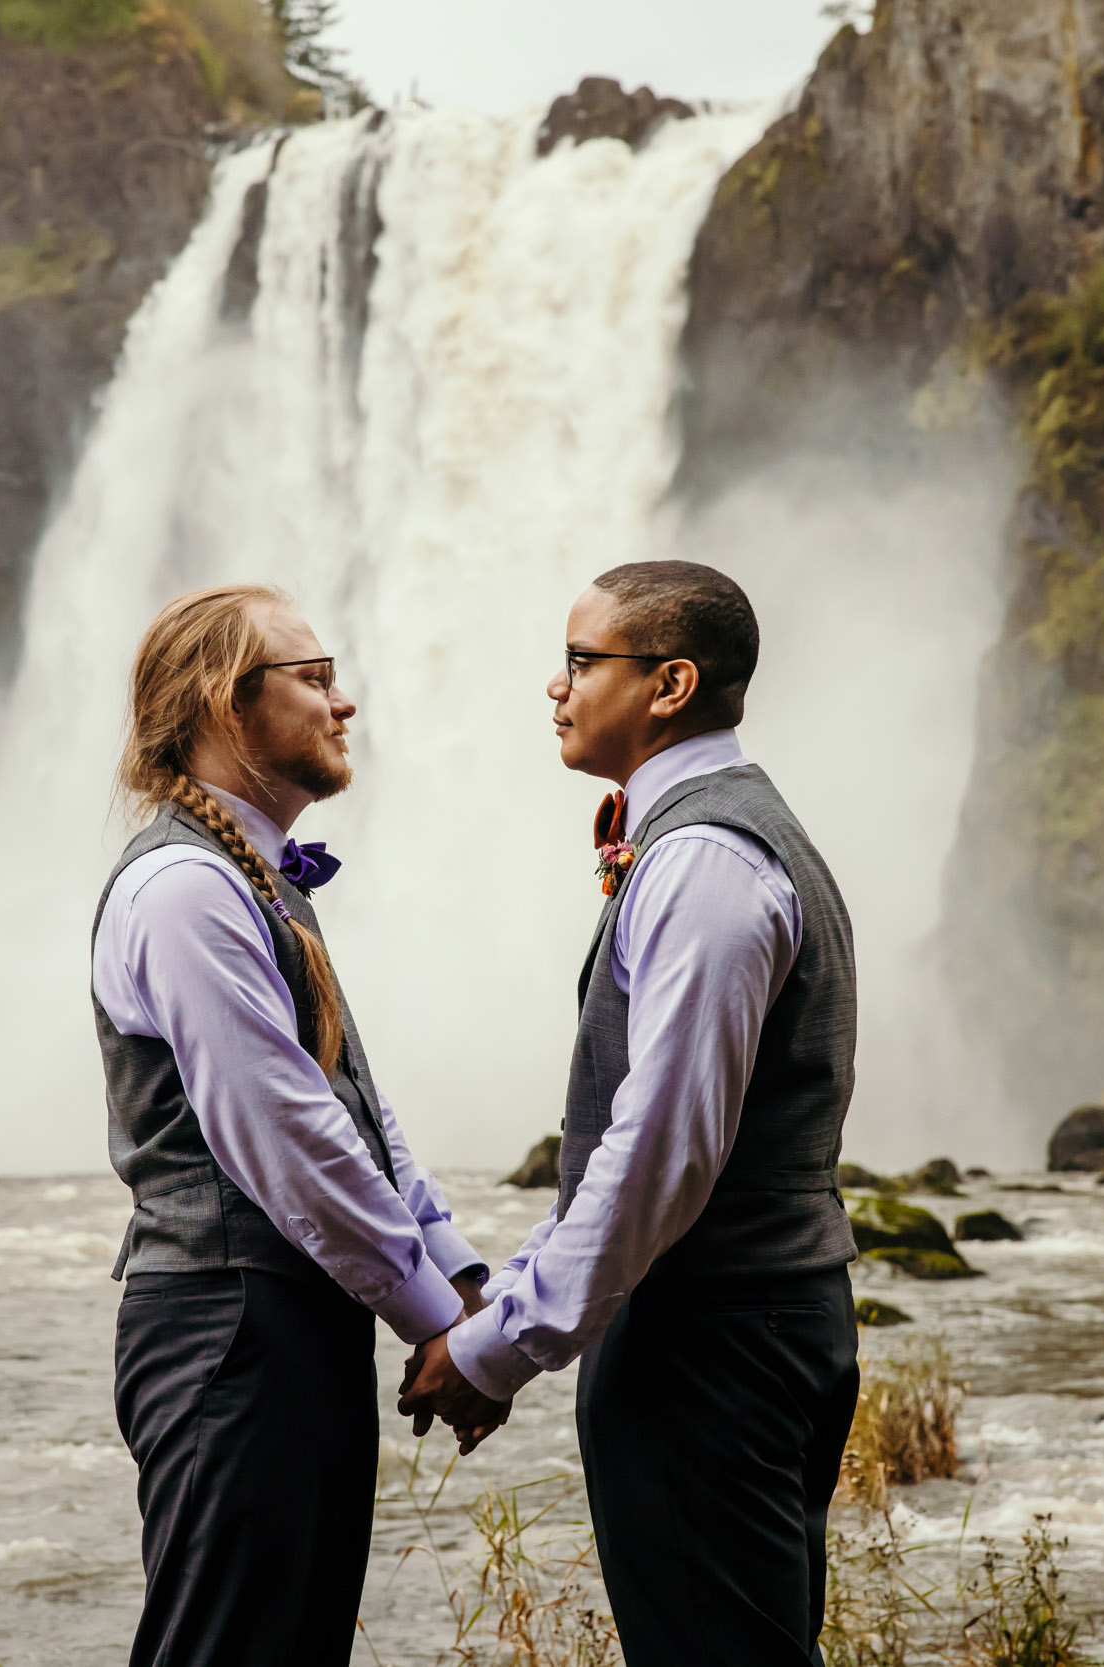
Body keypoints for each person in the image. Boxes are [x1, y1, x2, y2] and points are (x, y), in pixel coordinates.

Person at [399, 560, 861, 1667]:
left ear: (669, 683)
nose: (554, 688)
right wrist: (505, 1303)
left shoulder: (704, 860)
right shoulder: (723, 836)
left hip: (708, 1338)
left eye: (578, 661)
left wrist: (500, 1346)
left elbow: (660, 1152)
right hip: (750, 1318)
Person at [93, 582, 489, 1667]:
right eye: (313, 679)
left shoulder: (255, 877)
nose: (342, 702)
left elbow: (352, 1105)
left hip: (286, 1324)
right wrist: (433, 1323)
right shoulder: (184, 887)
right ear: (226, 703)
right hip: (225, 1329)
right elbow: (283, 1138)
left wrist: (456, 1277)